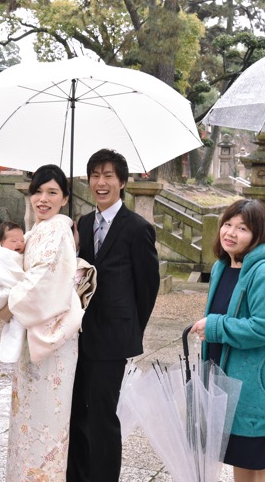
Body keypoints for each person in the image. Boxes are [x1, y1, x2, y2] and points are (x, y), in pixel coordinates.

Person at [67, 149, 160, 482]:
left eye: (108, 176)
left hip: (112, 338)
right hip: (76, 334)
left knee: (102, 415)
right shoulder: (82, 223)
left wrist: (129, 329)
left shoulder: (137, 228)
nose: (100, 182)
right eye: (95, 175)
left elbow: (148, 287)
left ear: (122, 182)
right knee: (75, 413)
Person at [189, 199, 265, 482]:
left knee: (264, 463)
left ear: (258, 234)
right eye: (228, 224)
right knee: (239, 458)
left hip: (253, 386)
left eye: (242, 228)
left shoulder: (264, 273)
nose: (231, 232)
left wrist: (216, 327)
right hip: (224, 379)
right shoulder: (222, 267)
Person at [0, 164, 85, 481]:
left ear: (65, 199)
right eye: (38, 191)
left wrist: (8, 304)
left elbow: (38, 285)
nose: (43, 199)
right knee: (29, 418)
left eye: (53, 192)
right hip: (34, 337)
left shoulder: (56, 231)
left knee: (45, 423)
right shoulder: (37, 231)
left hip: (50, 343)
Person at [0, 221, 27, 363]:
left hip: (16, 295)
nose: (19, 244)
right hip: (5, 293)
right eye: (13, 241)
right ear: (0, 243)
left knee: (19, 323)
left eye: (22, 240)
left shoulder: (22, 256)